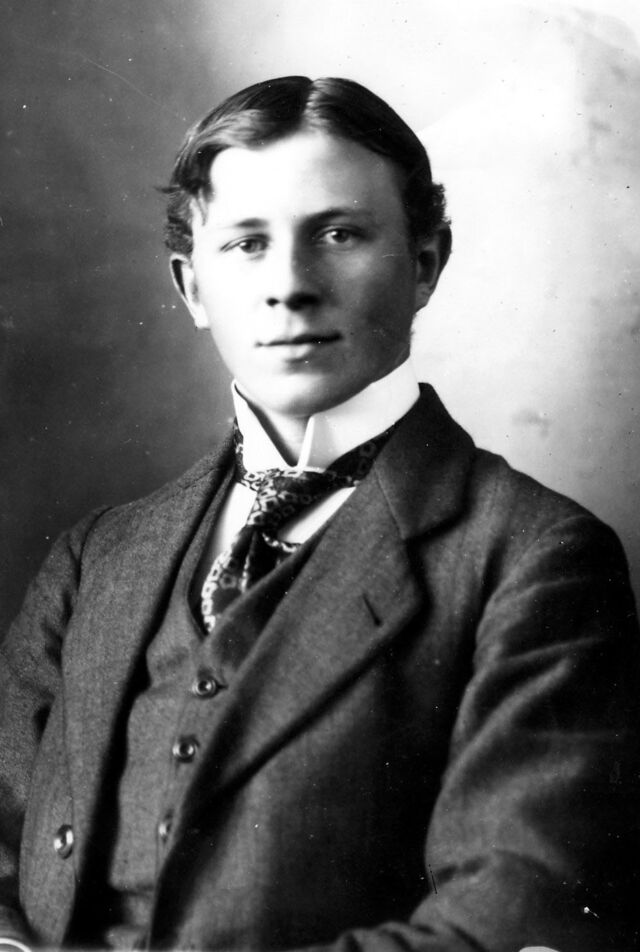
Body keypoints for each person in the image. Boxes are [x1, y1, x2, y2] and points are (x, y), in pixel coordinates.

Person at [0, 75, 639, 952]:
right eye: (247, 244)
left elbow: (508, 916)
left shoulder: (531, 558)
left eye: (339, 234)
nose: (290, 287)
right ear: (191, 287)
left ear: (425, 264)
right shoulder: (94, 560)